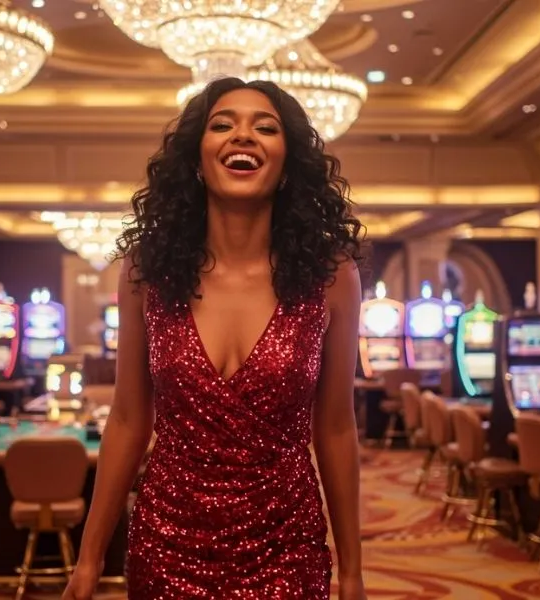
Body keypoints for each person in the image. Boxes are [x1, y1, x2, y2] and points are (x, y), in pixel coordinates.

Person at [63, 76, 366, 600]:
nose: (242, 136)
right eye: (222, 124)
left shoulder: (331, 275)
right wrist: (88, 560)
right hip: (168, 540)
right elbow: (130, 419)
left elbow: (336, 428)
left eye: (265, 128)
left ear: (288, 161)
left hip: (285, 544)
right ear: (196, 160)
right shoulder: (146, 271)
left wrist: (354, 572)